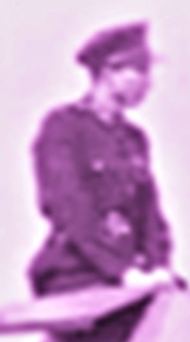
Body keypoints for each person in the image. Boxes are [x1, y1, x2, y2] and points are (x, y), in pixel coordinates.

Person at [27, 22, 177, 297]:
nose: (148, 83)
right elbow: (70, 208)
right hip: (76, 273)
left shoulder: (134, 139)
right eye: (140, 71)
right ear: (110, 72)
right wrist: (120, 272)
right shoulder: (64, 127)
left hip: (131, 275)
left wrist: (159, 267)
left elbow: (150, 215)